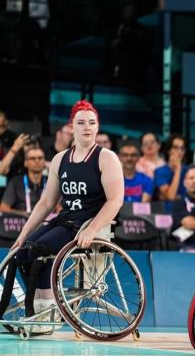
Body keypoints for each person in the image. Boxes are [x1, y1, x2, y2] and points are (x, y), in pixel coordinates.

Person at [9, 100, 123, 318]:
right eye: (81, 123)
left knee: (40, 249)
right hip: (65, 220)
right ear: (72, 127)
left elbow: (115, 201)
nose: (87, 127)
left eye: (92, 122)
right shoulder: (60, 159)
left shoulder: (106, 158)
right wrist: (24, 232)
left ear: (98, 127)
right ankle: (44, 305)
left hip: (87, 224)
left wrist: (91, 229)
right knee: (23, 251)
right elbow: (46, 202)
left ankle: (48, 309)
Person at [0, 147, 47, 215]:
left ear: (44, 161)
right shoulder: (16, 182)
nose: (37, 161)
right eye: (32, 158)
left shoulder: (51, 182)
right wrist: (23, 214)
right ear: (25, 163)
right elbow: (3, 208)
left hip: (47, 222)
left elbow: (59, 208)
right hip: (22, 223)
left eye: (40, 158)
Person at [154, 134, 189, 202]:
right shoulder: (160, 171)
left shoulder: (188, 170)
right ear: (168, 150)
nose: (179, 152)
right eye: (175, 148)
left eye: (182, 148)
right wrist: (178, 169)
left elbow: (193, 196)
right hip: (167, 211)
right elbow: (171, 197)